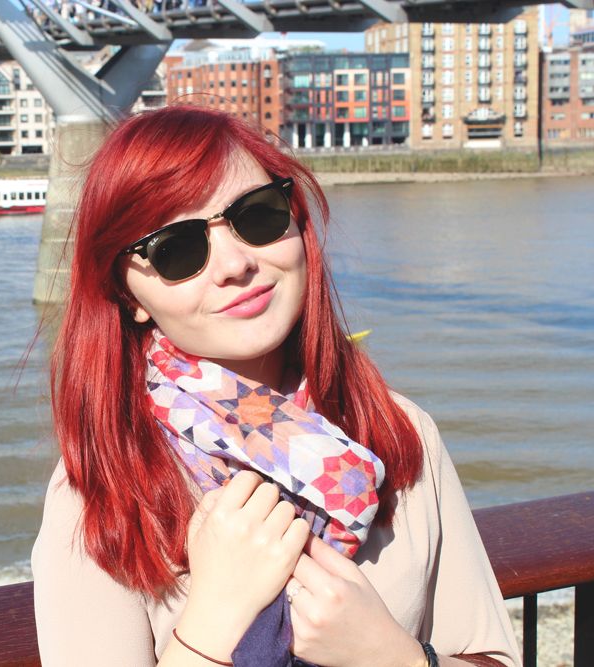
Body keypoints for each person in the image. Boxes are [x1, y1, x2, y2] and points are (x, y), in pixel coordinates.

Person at [31, 106, 520, 667]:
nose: (236, 264)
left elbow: (493, 656)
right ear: (129, 298)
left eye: (256, 217)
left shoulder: (398, 432)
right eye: (177, 250)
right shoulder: (102, 485)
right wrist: (213, 619)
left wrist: (392, 657)